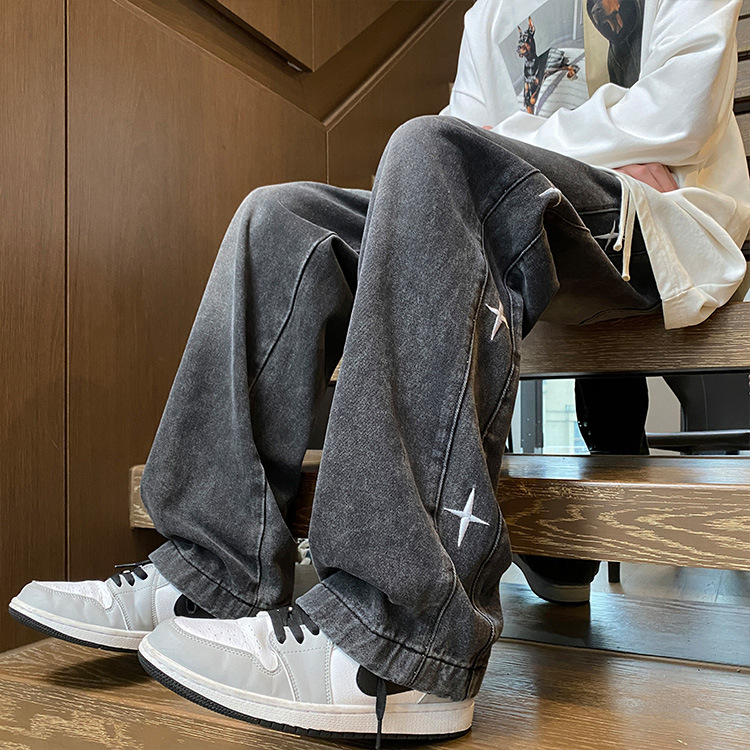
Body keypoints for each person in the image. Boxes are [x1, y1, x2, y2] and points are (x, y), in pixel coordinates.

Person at [9, 0, 749, 745]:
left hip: (657, 217)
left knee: (436, 153)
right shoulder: (490, 10)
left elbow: (679, 111)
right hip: (539, 193)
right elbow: (468, 132)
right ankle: (210, 571)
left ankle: (400, 645)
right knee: (282, 215)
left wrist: (510, 144)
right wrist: (589, 143)